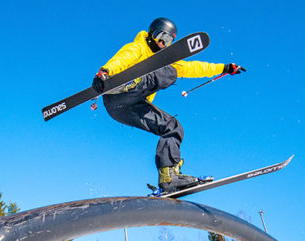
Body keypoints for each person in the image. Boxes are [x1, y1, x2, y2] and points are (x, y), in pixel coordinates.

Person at [92, 17, 246, 192]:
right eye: (160, 37)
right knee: (167, 72)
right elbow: (122, 59)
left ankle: (169, 179)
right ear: (151, 33)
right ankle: (127, 83)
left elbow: (194, 67)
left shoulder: (165, 60)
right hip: (118, 96)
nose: (162, 43)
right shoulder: (138, 47)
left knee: (173, 127)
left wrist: (224, 68)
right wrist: (105, 72)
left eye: (168, 41)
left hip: (127, 110)